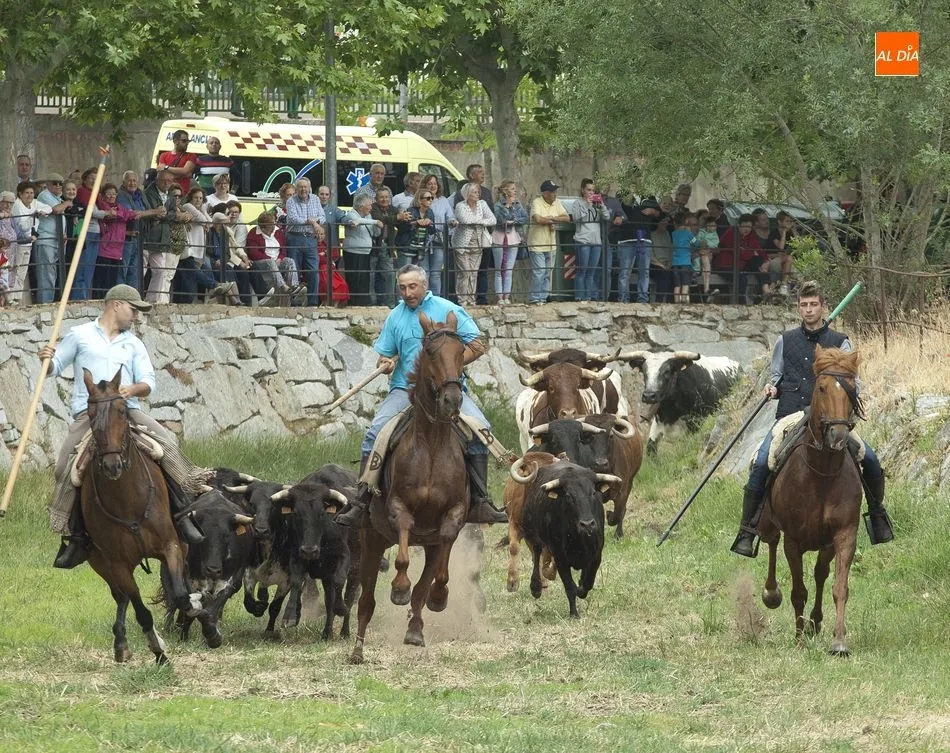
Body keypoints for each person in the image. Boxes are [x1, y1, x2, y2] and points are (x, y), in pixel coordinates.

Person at [40, 284, 206, 569]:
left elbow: (149, 383)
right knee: (63, 468)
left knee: (167, 446)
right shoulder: (79, 335)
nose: (136, 316)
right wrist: (47, 358)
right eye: (134, 309)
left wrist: (132, 389)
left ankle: (182, 516)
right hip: (89, 417)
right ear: (116, 305)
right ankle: (77, 537)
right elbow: (55, 364)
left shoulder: (134, 343)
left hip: (127, 413)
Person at [730, 280, 894, 558]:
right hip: (792, 414)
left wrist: (850, 393)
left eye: (813, 305)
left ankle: (877, 515)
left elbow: (853, 380)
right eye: (804, 305)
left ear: (823, 307)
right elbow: (777, 375)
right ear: (798, 308)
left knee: (871, 459)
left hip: (831, 418)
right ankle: (748, 529)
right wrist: (772, 388)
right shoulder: (785, 340)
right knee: (760, 462)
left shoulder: (840, 341)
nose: (808, 310)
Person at [335, 264, 507, 528]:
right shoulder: (396, 316)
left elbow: (477, 345)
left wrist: (452, 367)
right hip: (405, 389)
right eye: (402, 287)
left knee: (481, 429)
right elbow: (386, 352)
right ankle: (362, 502)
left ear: (425, 286)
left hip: (448, 390)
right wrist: (386, 362)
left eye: (412, 286)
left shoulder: (447, 309)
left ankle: (481, 501)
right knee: (374, 432)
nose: (407, 292)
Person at [284, 177, 326, 306]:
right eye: (301, 187)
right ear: (296, 189)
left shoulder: (315, 199)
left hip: (310, 239)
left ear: (309, 188)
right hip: (294, 238)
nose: (303, 189)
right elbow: (292, 219)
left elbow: (323, 216)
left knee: (313, 271)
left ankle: (312, 303)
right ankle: (295, 303)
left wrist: (316, 222)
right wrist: (312, 221)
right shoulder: (291, 200)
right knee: (294, 272)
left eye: (305, 187)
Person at [245, 211, 303, 303]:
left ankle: (294, 287)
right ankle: (283, 286)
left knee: (289, 261)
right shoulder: (253, 234)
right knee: (270, 262)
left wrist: (280, 258)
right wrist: (270, 259)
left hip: (277, 260)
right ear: (263, 226)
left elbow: (283, 248)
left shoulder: (278, 231)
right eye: (270, 225)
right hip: (262, 262)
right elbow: (253, 253)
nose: (273, 227)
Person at [527, 180, 570, 305]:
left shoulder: (556, 202)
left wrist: (552, 219)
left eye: (555, 191)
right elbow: (537, 218)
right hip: (537, 243)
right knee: (539, 271)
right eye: (552, 191)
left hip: (551, 244)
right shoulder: (537, 202)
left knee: (548, 272)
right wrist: (552, 221)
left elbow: (566, 218)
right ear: (545, 193)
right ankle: (535, 298)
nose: (555, 194)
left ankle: (544, 297)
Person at [452, 183, 495, 306]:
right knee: (464, 272)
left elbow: (493, 220)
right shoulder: (460, 206)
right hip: (462, 244)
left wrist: (478, 222)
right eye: (474, 192)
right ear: (467, 194)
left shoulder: (482, 204)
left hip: (478, 243)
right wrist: (482, 222)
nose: (477, 194)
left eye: (478, 192)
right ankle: (462, 300)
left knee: (473, 272)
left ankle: (471, 299)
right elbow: (465, 220)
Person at [568, 179, 611, 301]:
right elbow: (576, 218)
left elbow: (607, 217)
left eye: (593, 190)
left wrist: (601, 205)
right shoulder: (578, 203)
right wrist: (587, 205)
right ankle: (579, 297)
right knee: (582, 270)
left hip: (596, 242)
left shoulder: (597, 204)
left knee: (591, 272)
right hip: (583, 241)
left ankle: (588, 297)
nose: (591, 193)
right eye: (589, 190)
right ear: (583, 190)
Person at [11, 181, 52, 306]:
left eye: (32, 193)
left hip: (28, 242)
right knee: (15, 270)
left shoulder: (33, 203)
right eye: (27, 193)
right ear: (20, 194)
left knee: (22, 272)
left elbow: (48, 208)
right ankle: (10, 298)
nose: (29, 196)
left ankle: (16, 298)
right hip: (17, 243)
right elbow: (22, 226)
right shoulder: (17, 205)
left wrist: (39, 212)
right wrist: (33, 217)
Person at [34, 173, 72, 303]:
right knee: (46, 276)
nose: (58, 186)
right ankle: (45, 304)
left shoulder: (57, 198)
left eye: (60, 183)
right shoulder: (44, 195)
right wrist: (67, 202)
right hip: (46, 240)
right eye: (55, 183)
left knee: (53, 275)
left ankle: (49, 302)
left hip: (55, 241)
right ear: (48, 184)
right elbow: (56, 210)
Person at [491, 180, 528, 305]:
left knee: (509, 269)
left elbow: (524, 218)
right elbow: (501, 220)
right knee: (499, 269)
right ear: (505, 191)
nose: (515, 191)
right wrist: (507, 208)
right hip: (498, 238)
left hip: (513, 238)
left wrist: (513, 219)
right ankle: (499, 297)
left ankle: (507, 296)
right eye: (512, 189)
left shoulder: (517, 204)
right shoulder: (497, 205)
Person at [340, 194, 381, 305]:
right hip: (353, 252)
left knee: (364, 280)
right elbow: (356, 221)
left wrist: (377, 226)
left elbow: (375, 233)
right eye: (369, 205)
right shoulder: (351, 214)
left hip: (366, 253)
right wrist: (376, 222)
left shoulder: (368, 216)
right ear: (361, 206)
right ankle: (353, 303)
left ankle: (363, 303)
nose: (371, 207)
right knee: (354, 279)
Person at [421, 173, 454, 296]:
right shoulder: (419, 199)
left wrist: (452, 221)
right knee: (424, 272)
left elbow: (450, 216)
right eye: (429, 183)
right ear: (425, 185)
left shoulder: (443, 200)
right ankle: (423, 299)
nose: (432, 186)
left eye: (434, 183)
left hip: (439, 240)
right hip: (423, 240)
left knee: (435, 273)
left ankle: (435, 299)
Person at [116, 171, 149, 289]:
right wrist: (153, 212)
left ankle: (132, 298)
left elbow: (146, 211)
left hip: (138, 237)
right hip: (126, 237)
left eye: (134, 180)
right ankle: (120, 296)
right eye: (129, 180)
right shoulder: (121, 195)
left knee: (134, 270)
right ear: (123, 182)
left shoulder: (140, 195)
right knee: (123, 269)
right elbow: (132, 213)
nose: (132, 183)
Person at [370, 187, 399, 307]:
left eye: (387, 197)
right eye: (381, 197)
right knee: (371, 275)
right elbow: (380, 219)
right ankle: (371, 303)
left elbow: (400, 222)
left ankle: (389, 304)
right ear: (376, 199)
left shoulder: (393, 209)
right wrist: (397, 218)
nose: (384, 199)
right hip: (373, 246)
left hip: (387, 246)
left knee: (390, 275)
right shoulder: (373, 208)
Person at [157, 129, 198, 195]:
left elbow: (186, 171)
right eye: (184, 141)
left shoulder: (191, 156)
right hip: (167, 192)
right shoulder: (164, 155)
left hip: (183, 193)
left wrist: (166, 167)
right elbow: (162, 173)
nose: (187, 143)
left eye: (188, 141)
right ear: (175, 141)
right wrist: (181, 174)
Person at [670, 212, 697, 303]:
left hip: (675, 263)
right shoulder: (688, 234)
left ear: (675, 222)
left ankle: (676, 303)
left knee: (677, 285)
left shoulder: (673, 234)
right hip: (686, 262)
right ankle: (684, 302)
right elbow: (696, 243)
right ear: (686, 221)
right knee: (685, 284)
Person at [695, 214, 722, 301]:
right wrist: (703, 245)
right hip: (701, 253)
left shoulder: (715, 235)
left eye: (714, 226)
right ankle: (706, 289)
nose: (712, 228)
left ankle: (707, 289)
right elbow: (698, 242)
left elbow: (715, 245)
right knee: (704, 260)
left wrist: (708, 247)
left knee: (705, 260)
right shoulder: (701, 232)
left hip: (708, 253)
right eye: (710, 225)